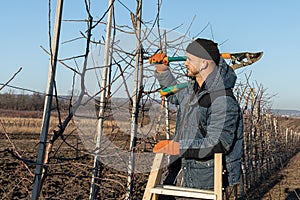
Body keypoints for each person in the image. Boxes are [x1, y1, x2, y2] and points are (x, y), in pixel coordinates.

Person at [152, 38, 244, 198]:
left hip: (205, 183)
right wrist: (162, 70)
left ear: (204, 63)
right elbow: (174, 96)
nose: (185, 63)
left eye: (189, 59)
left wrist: (177, 147)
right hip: (180, 173)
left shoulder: (223, 99)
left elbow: (218, 142)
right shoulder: (192, 89)